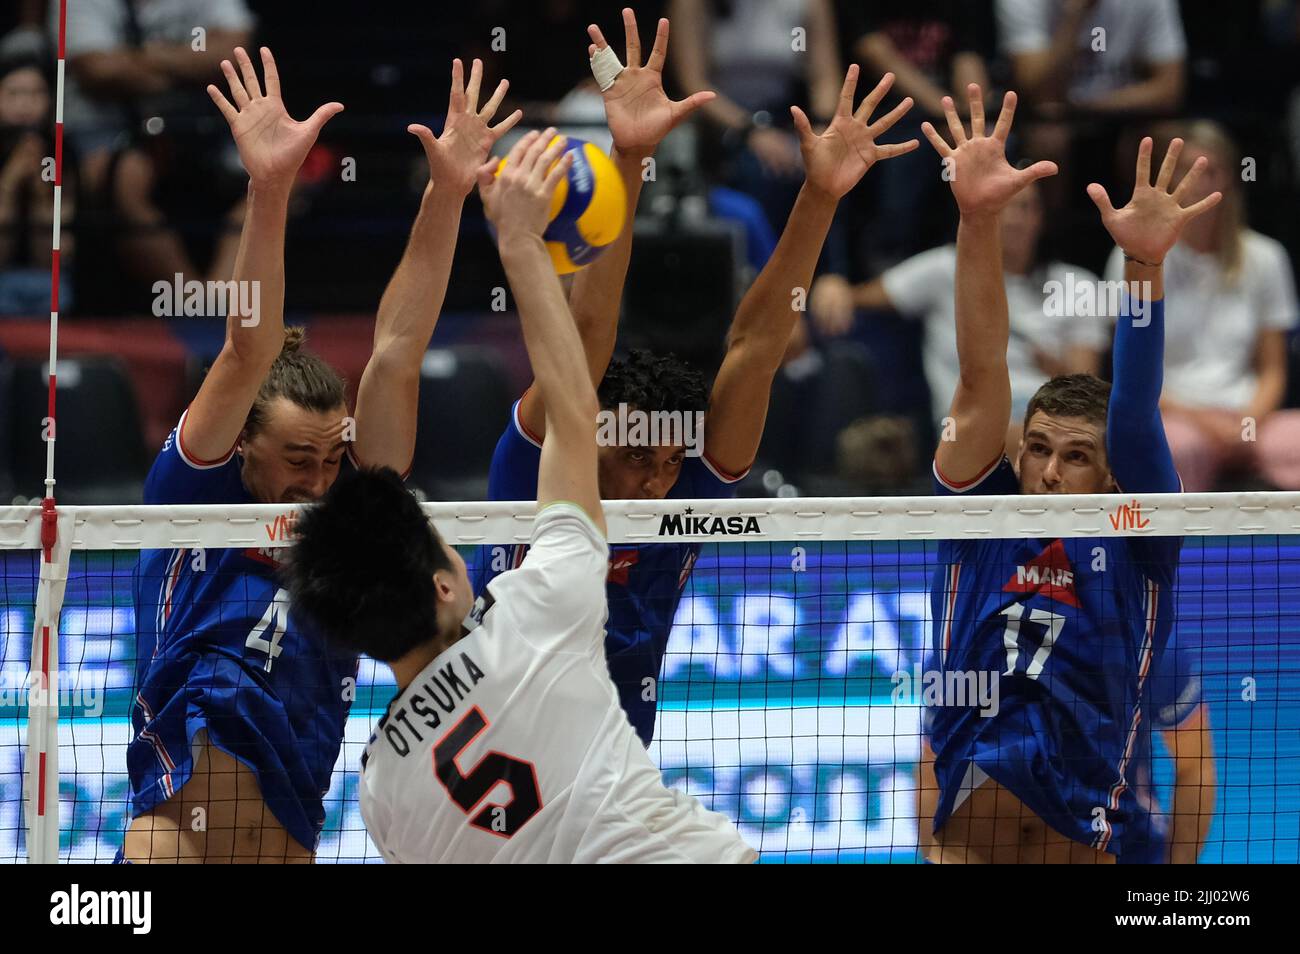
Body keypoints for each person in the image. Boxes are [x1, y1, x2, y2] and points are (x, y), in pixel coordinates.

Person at [286, 130, 756, 863]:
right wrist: (521, 241)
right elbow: (576, 410)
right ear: (444, 583)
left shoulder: (379, 787)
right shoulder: (536, 611)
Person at [481, 9, 919, 746]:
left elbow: (755, 346)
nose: (656, 483)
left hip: (616, 762)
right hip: (492, 742)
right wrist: (626, 158)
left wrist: (819, 198)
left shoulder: (689, 488)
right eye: (632, 459)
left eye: (664, 464)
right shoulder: (541, 461)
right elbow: (587, 335)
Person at [123, 48, 516, 862]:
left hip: (295, 831)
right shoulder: (193, 491)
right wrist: (269, 190)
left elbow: (399, 350)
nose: (317, 481)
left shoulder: (352, 514)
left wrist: (447, 194)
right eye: (297, 460)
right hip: (177, 843)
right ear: (243, 445)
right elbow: (245, 347)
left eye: (330, 460)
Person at [919, 82, 1221, 862]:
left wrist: (1143, 267)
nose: (1049, 471)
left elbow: (1133, 411)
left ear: (1114, 478)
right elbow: (982, 374)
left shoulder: (1140, 543)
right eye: (1040, 449)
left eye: (1076, 456)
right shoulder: (976, 524)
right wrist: (977, 221)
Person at [811, 179, 1106, 454]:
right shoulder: (944, 268)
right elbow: (860, 296)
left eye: (1026, 207)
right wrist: (832, 283)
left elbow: (1086, 393)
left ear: (1041, 218)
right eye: (1005, 206)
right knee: (1051, 446)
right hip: (967, 424)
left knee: (1073, 438)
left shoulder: (1078, 283)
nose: (1015, 218)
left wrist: (1056, 369)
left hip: (1051, 416)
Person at [1103, 121, 1300, 491]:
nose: (1199, 180)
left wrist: (1247, 423)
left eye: (1211, 170)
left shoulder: (1267, 257)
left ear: (1230, 178)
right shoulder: (1134, 253)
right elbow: (1129, 370)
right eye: (1185, 170)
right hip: (1170, 415)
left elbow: (1273, 369)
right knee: (1178, 447)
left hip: (1248, 414)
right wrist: (1205, 424)